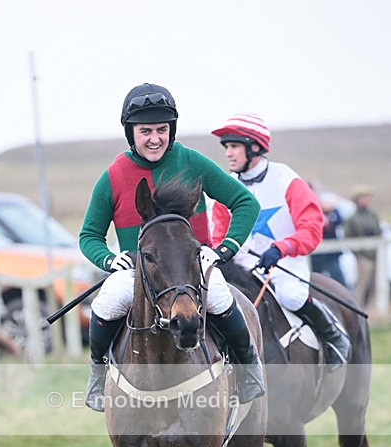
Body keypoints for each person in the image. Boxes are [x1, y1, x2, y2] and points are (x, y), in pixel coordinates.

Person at [79, 83, 264, 412]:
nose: (154, 138)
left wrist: (224, 249)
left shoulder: (192, 162)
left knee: (220, 296)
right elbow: (89, 235)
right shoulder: (113, 175)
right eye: (145, 130)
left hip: (194, 266)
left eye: (162, 130)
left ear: (171, 130)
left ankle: (249, 370)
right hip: (141, 272)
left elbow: (245, 202)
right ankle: (97, 374)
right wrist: (108, 259)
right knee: (107, 302)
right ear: (131, 133)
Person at [210, 113, 350, 370]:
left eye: (234, 147)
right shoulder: (226, 185)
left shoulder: (286, 179)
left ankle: (333, 335)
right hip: (241, 267)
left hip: (284, 262)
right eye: (227, 147)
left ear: (253, 147)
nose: (228, 153)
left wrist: (282, 247)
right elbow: (219, 234)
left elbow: (311, 229)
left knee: (291, 296)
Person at [343, 185, 382, 308]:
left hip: (375, 254)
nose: (367, 200)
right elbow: (348, 238)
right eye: (364, 197)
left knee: (376, 284)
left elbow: (379, 232)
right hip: (362, 257)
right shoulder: (352, 219)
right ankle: (356, 308)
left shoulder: (373, 215)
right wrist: (359, 254)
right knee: (361, 284)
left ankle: (375, 308)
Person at [310, 193, 348, 288]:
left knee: (338, 278)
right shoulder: (314, 212)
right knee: (316, 279)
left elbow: (337, 221)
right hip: (317, 255)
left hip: (331, 255)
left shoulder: (334, 213)